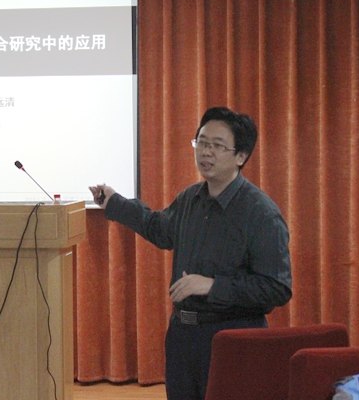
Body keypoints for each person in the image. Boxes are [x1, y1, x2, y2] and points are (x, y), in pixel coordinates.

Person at [89, 106, 292, 400]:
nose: (206, 152)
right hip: (183, 338)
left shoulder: (261, 214)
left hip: (232, 339)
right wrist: (114, 203)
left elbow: (277, 288)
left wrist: (212, 285)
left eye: (217, 146)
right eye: (202, 142)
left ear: (241, 156)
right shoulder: (190, 199)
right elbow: (159, 228)